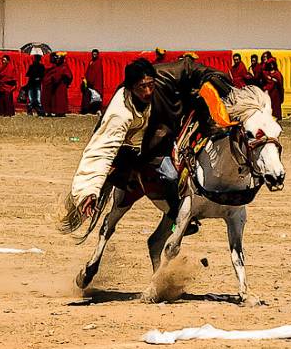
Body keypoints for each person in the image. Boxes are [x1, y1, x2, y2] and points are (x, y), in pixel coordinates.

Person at [69, 56, 235, 224]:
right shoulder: (120, 112)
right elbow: (101, 150)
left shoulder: (165, 76)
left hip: (178, 126)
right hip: (143, 149)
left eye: (150, 85)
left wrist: (214, 79)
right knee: (170, 175)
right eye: (142, 87)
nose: (148, 92)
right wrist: (89, 190)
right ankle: (176, 214)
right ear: (131, 88)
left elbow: (189, 67)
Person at [81, 49, 105, 114]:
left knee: (96, 97)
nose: (94, 55)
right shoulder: (91, 62)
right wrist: (85, 79)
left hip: (96, 84)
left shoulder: (98, 63)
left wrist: (90, 81)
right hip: (90, 84)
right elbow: (89, 72)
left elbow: (95, 74)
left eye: (95, 54)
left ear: (97, 55)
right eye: (93, 54)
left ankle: (97, 110)